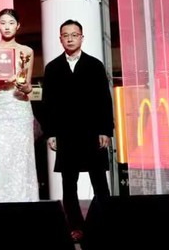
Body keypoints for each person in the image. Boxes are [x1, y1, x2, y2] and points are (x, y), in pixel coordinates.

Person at [41, 20, 114, 243]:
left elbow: (104, 100)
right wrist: (50, 133)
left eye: (74, 35)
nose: (70, 39)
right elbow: (48, 103)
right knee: (68, 183)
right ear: (60, 39)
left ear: (82, 37)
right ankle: (76, 226)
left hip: (92, 132)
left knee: (99, 181)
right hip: (66, 133)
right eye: (66, 35)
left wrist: (105, 130)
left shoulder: (94, 65)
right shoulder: (52, 68)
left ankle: (106, 223)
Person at [0, 8, 38, 202]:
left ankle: (25, 202)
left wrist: (25, 87)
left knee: (22, 156)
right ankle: (0, 203)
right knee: (0, 157)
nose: (7, 27)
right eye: (3, 23)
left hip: (19, 106)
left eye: (11, 23)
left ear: (18, 26)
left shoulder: (26, 51)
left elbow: (28, 86)